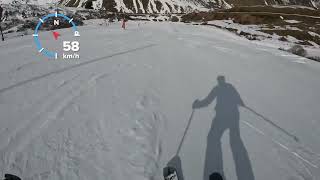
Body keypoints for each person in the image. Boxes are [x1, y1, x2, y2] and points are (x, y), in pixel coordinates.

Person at [193, 76, 254, 180]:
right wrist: (241, 103)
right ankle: (240, 161)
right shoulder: (230, 87)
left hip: (222, 118)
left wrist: (197, 104)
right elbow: (238, 99)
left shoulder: (217, 88)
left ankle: (215, 163)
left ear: (219, 81)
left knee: (213, 137)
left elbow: (207, 101)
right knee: (234, 138)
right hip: (233, 116)